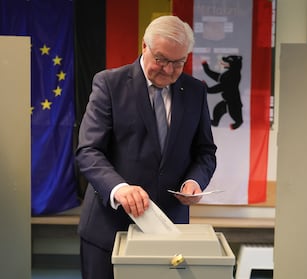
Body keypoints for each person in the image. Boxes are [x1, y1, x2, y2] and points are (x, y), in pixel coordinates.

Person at [75, 15, 217, 279]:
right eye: (161, 59)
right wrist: (119, 188)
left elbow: (205, 152)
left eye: (179, 62)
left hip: (169, 230)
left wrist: (195, 181)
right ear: (144, 46)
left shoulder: (195, 91)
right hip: (109, 229)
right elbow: (88, 151)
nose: (169, 70)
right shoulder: (110, 84)